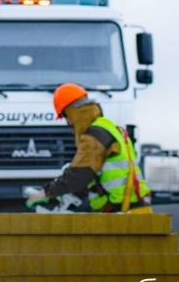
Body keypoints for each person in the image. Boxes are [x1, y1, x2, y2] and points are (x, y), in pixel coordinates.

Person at [26, 83, 151, 213]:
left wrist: (46, 193)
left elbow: (79, 176)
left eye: (66, 116)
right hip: (132, 207)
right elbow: (90, 175)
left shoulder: (95, 135)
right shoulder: (107, 127)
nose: (68, 123)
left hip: (125, 213)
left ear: (72, 111)